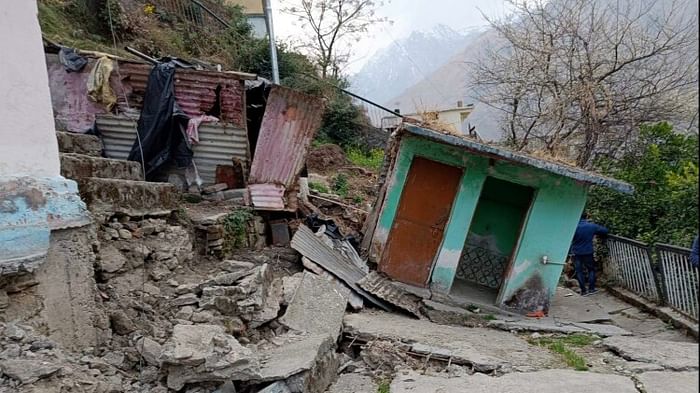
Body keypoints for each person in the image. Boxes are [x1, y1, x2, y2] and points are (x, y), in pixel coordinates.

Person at [570, 212, 609, 296]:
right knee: (591, 269)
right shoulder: (591, 226)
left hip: (576, 252)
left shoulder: (573, 226)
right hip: (588, 251)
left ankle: (583, 291)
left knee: (579, 271)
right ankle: (591, 289)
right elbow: (605, 230)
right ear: (586, 217)